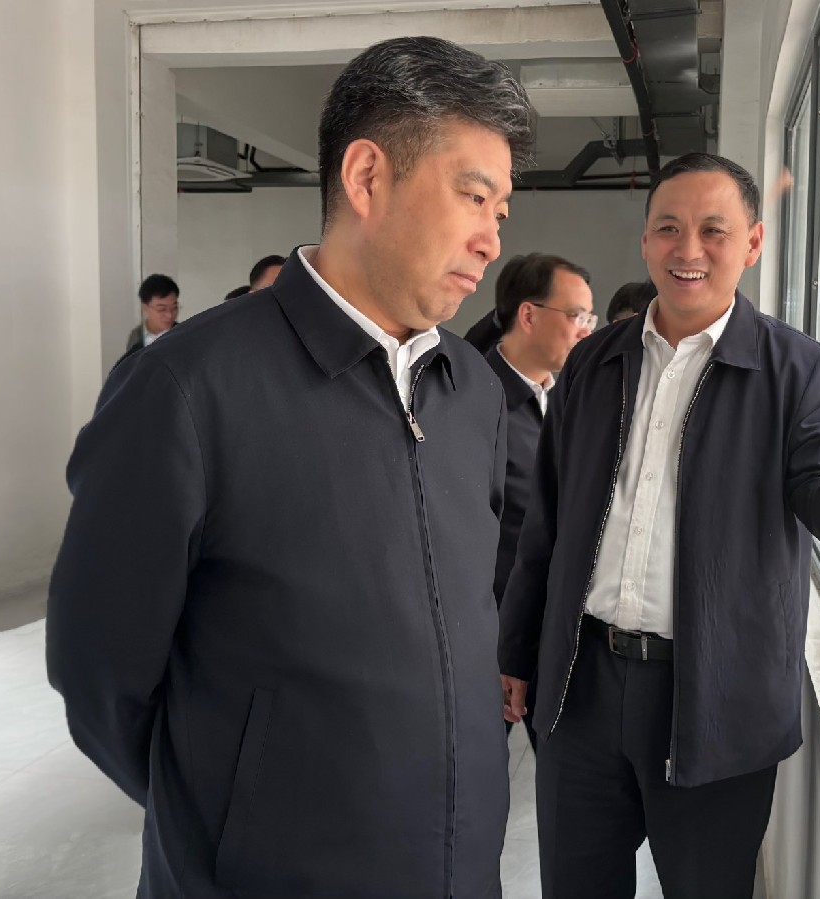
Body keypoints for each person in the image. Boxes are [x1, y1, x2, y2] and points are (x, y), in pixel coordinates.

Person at [47, 36, 534, 899]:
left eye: (501, 209)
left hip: (458, 869)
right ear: (368, 176)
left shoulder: (473, 392)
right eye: (473, 197)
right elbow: (100, 673)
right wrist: (232, 811)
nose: (491, 239)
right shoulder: (188, 387)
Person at [498, 152, 820, 898]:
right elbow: (544, 523)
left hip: (715, 698)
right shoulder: (592, 364)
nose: (689, 249)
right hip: (582, 688)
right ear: (645, 240)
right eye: (668, 228)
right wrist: (517, 649)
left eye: (714, 230)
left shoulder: (797, 369)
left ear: (753, 243)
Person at [484, 253, 595, 749]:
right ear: (528, 315)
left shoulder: (567, 397)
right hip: (492, 642)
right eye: (575, 315)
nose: (586, 331)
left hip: (551, 634)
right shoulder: (474, 399)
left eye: (589, 317)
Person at [124, 274, 179, 355]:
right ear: (145, 307)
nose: (169, 315)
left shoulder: (183, 334)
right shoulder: (135, 336)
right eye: (161, 309)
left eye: (174, 307)